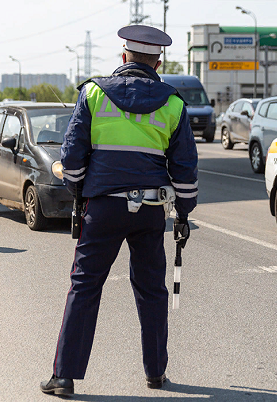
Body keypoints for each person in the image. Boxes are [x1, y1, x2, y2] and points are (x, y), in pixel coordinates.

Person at [41, 25, 198, 396]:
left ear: (123, 57)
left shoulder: (94, 93)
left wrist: (79, 189)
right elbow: (185, 169)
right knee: (152, 292)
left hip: (103, 209)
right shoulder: (174, 104)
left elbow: (73, 158)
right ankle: (156, 374)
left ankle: (64, 377)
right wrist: (184, 214)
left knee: (85, 286)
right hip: (149, 211)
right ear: (158, 61)